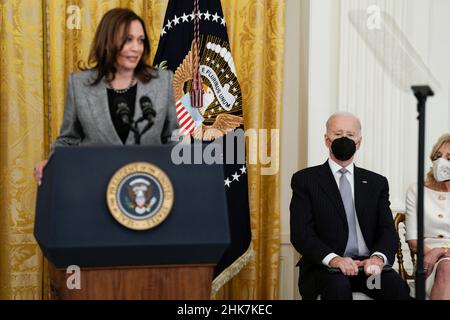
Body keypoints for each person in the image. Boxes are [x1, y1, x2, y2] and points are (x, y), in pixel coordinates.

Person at [34, 8, 178, 184]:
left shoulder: (163, 81)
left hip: (147, 187)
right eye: (128, 40)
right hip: (95, 186)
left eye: (140, 41)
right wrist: (50, 164)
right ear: (108, 40)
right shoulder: (79, 85)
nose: (136, 48)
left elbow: (172, 137)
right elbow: (68, 140)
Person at [290, 112, 410, 300]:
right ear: (327, 140)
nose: (344, 139)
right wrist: (335, 260)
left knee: (395, 288)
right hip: (328, 271)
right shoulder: (306, 180)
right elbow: (301, 234)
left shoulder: (376, 183)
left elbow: (387, 230)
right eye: (338, 134)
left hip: (368, 272)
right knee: (339, 288)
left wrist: (377, 259)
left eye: (350, 135)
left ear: (359, 142)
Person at [405, 133, 450, 300]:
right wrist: (434, 253)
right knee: (447, 268)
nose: (441, 162)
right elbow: (413, 241)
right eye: (438, 156)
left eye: (449, 157)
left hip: (436, 254)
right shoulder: (417, 191)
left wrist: (441, 251)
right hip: (428, 264)